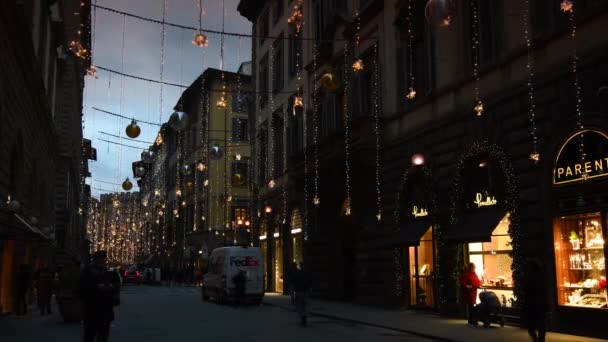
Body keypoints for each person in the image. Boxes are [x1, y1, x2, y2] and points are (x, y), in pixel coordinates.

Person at [80, 251, 120, 342]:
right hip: (91, 310)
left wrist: (111, 287)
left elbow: (116, 288)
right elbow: (81, 289)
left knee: (103, 336)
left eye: (103, 259)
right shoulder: (87, 272)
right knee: (89, 336)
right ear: (95, 260)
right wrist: (96, 287)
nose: (102, 261)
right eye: (99, 259)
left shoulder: (110, 273)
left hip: (105, 311)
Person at [523, 258, 548, 342]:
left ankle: (536, 340)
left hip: (532, 304)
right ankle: (540, 340)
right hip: (540, 304)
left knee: (531, 325)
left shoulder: (529, 277)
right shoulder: (542, 276)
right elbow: (545, 291)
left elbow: (526, 291)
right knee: (541, 324)